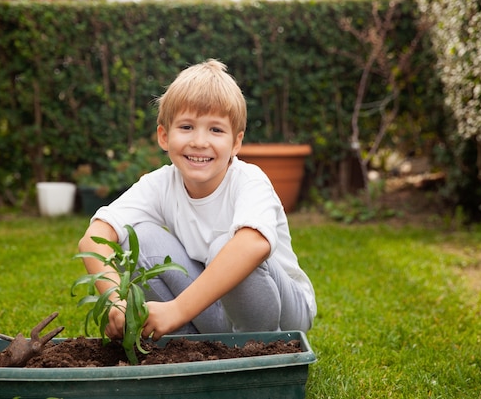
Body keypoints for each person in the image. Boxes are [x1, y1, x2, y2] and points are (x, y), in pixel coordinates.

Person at [78, 59, 316, 341]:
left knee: (225, 245)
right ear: (164, 136)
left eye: (215, 130)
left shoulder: (249, 180)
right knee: (138, 237)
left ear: (235, 143)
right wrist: (116, 301)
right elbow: (94, 238)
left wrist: (177, 308)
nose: (200, 141)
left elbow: (254, 244)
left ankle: (263, 349)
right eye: (187, 127)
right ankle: (189, 347)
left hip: (283, 311)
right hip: (212, 307)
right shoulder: (161, 184)